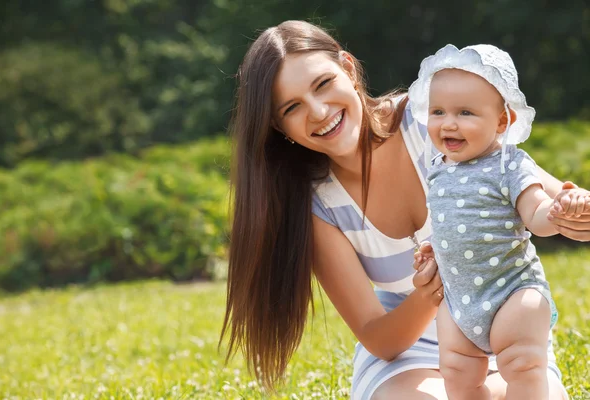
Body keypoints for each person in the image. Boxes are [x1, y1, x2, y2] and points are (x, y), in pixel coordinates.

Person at [219, 20, 590, 400]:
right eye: (292, 107)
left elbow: (549, 192)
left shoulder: (433, 119)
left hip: (504, 335)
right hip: (409, 358)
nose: (317, 111)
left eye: (323, 84)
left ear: (348, 69)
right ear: (279, 127)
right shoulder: (316, 205)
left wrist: (571, 212)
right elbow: (380, 338)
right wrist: (431, 291)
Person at [407, 43, 590, 400]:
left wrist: (555, 212)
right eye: (438, 111)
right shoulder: (437, 168)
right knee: (457, 372)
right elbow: (453, 223)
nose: (449, 123)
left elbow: (535, 215)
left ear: (503, 121)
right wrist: (436, 249)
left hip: (512, 292)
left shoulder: (510, 165)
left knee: (522, 365)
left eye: (465, 112)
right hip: (459, 298)